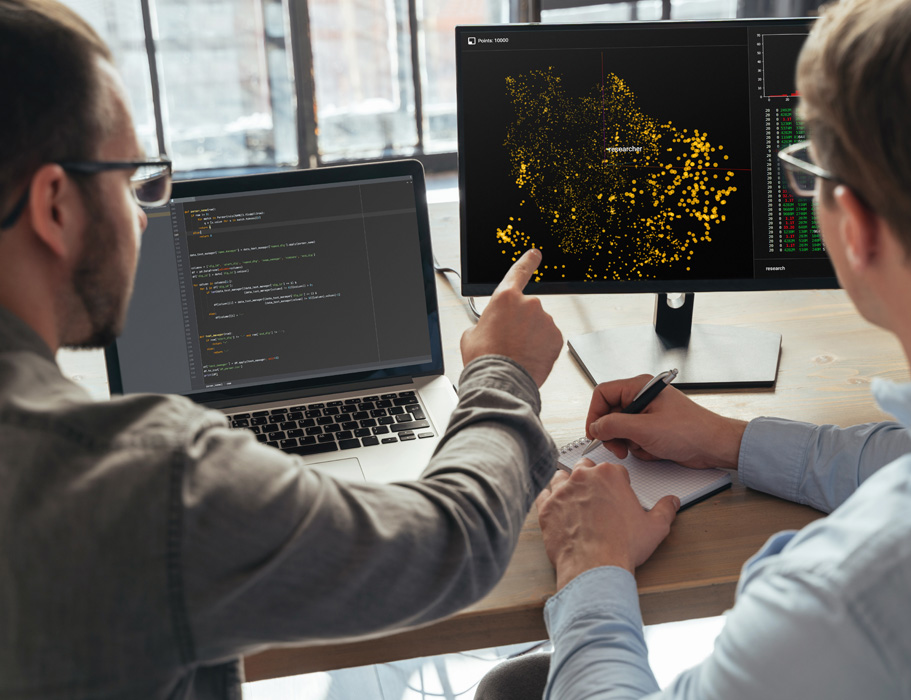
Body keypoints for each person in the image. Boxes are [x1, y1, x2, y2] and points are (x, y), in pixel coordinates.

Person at [0, 1, 564, 697]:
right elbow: (451, 545)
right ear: (55, 206)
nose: (146, 217)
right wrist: (501, 369)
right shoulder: (146, 480)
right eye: (130, 181)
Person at [529, 0, 911, 697]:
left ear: (860, 228)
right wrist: (729, 441)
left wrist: (590, 568)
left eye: (811, 171)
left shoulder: (848, 599)